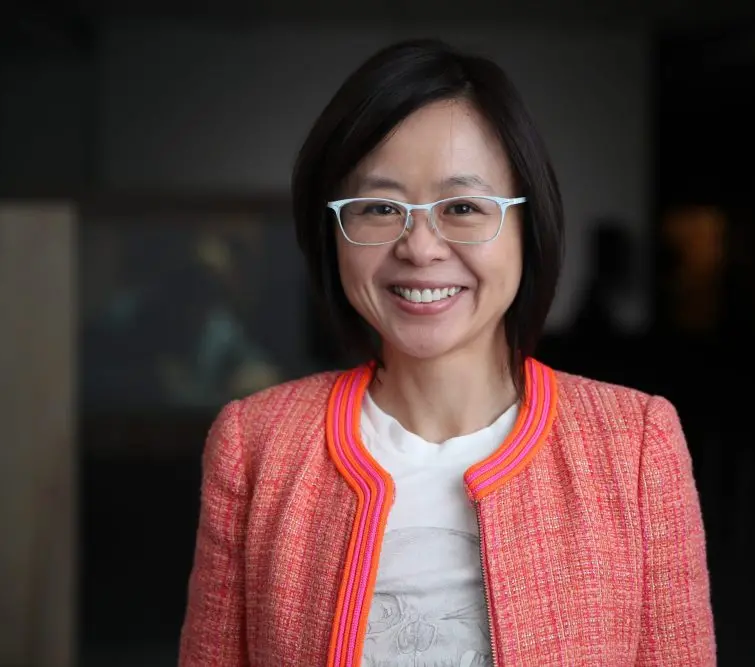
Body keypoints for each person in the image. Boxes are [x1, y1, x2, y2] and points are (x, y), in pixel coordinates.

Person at [179, 39, 715, 667]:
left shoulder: (635, 445)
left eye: (462, 207)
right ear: (332, 235)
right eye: (379, 208)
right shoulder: (255, 446)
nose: (421, 247)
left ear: (526, 226)